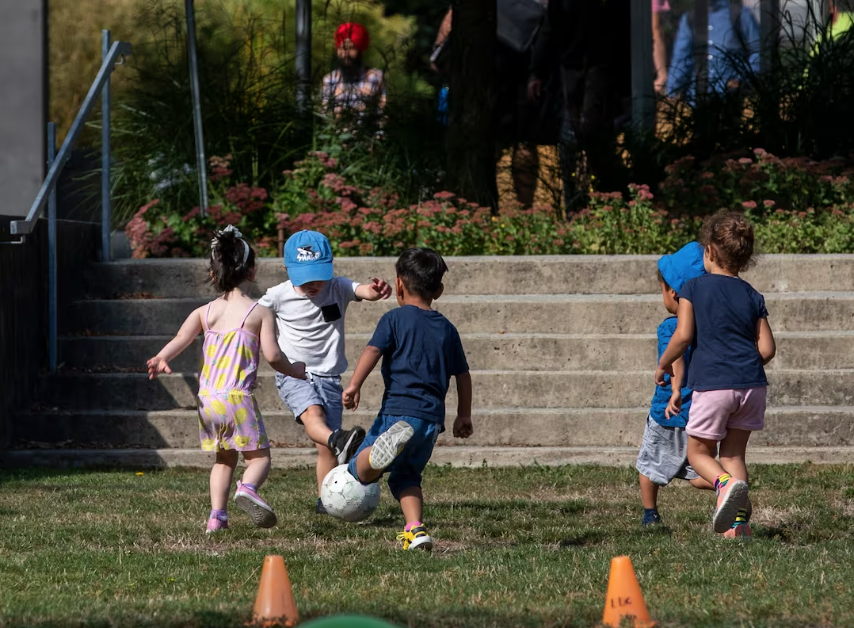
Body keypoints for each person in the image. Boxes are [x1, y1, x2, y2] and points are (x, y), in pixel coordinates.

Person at [146, 225, 308, 533]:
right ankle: (248, 489)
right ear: (252, 271)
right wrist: (296, 370)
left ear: (212, 274)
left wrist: (162, 357)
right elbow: (274, 356)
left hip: (208, 401)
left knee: (223, 460)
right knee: (259, 458)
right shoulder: (259, 312)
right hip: (237, 398)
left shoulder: (204, 312)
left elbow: (182, 337)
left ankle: (216, 518)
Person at [341, 248, 473, 551]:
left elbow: (372, 351)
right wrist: (463, 415)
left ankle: (375, 455)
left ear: (398, 284)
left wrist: (354, 385)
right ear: (438, 290)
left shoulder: (394, 319)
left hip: (397, 412)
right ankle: (416, 530)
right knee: (407, 476)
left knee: (358, 472)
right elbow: (462, 375)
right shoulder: (447, 329)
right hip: (430, 420)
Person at [656, 211, 776, 540]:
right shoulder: (752, 294)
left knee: (699, 454)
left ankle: (724, 484)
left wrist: (664, 363)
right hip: (752, 386)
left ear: (708, 251)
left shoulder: (693, 288)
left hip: (714, 386)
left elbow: (681, 337)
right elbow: (766, 348)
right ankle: (739, 529)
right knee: (734, 454)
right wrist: (743, 367)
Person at [259, 230, 392, 515]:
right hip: (294, 373)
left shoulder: (338, 287)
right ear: (288, 270)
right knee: (313, 416)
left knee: (326, 450)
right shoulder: (277, 296)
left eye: (317, 275)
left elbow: (363, 291)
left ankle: (326, 500)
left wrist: (376, 291)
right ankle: (337, 438)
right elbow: (251, 315)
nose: (311, 284)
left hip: (330, 378)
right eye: (303, 277)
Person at [637, 242, 714, 527]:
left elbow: (675, 360)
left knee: (649, 466)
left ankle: (650, 513)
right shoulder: (708, 327)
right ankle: (728, 484)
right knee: (700, 472)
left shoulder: (670, 328)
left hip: (668, 411)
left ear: (672, 292)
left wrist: (674, 386)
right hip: (702, 412)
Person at [529, 0, 632, 209]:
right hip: (572, 69)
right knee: (577, 136)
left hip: (601, 68)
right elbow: (550, 27)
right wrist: (536, 71)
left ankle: (612, 193)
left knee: (591, 132)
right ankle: (581, 202)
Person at [665, 0, 760, 99]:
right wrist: (672, 92)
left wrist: (743, 80)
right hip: (698, 97)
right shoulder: (690, 18)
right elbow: (681, 59)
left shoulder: (741, 14)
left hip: (733, 97)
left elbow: (758, 52)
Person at [320, 23, 387, 125]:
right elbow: (325, 115)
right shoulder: (330, 80)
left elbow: (382, 113)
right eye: (342, 48)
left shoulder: (375, 77)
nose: (346, 54)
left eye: (352, 48)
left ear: (360, 50)